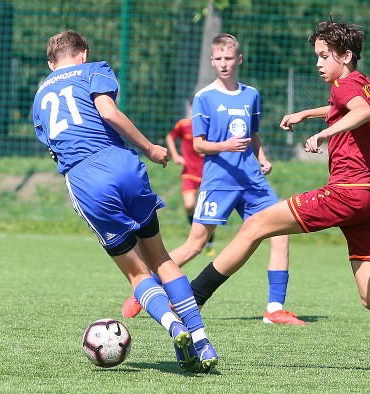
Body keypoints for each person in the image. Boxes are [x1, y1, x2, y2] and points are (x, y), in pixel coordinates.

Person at [187, 21, 370, 379]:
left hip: (346, 193)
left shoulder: (345, 86)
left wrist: (322, 134)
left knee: (255, 224)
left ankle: (192, 299)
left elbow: (361, 112)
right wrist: (306, 114)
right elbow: (347, 106)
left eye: (324, 56)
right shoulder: (361, 82)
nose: (318, 63)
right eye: (317, 56)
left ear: (345, 56)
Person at [32, 30, 217, 373]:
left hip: (86, 180)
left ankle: (173, 327)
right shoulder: (93, 69)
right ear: (83, 53)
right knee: (161, 258)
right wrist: (150, 148)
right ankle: (201, 340)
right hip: (122, 164)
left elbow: (56, 146)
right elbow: (108, 112)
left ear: (50, 63)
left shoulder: (40, 96)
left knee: (136, 273)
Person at [123, 33, 304, 325]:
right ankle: (146, 288)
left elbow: (253, 135)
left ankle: (274, 309)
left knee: (280, 234)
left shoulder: (251, 94)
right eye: (218, 59)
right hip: (219, 180)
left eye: (228, 58)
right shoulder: (204, 97)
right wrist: (226, 146)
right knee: (196, 244)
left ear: (239, 59)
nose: (223, 63)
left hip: (252, 181)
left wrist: (262, 157)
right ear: (211, 61)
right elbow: (198, 145)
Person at [165, 99, 215, 256]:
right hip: (190, 172)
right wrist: (175, 156)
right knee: (189, 205)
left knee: (207, 210)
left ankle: (209, 241)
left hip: (208, 173)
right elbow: (170, 137)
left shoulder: (211, 126)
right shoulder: (183, 124)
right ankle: (195, 234)